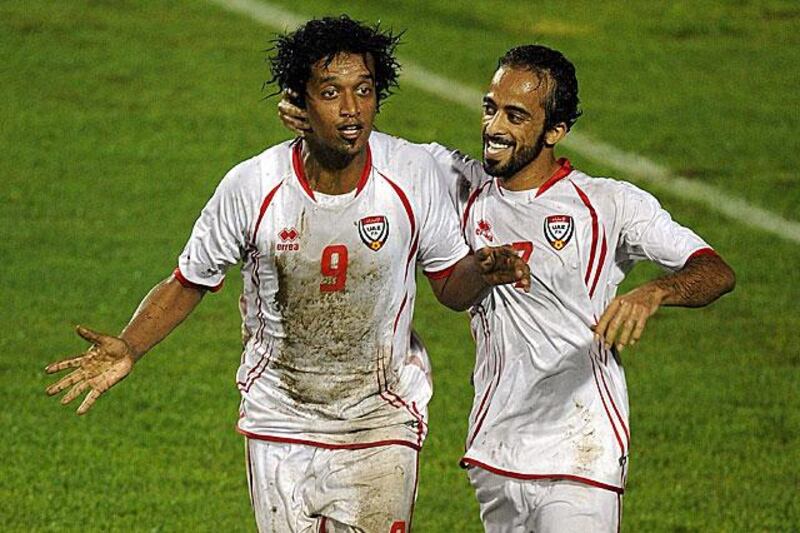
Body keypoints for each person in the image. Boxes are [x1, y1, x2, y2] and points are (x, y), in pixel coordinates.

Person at [44, 16, 529, 533]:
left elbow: (449, 288)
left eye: (364, 90)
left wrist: (479, 271)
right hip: (280, 417)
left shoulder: (411, 175)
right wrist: (131, 345)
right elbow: (189, 280)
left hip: (379, 418)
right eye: (331, 93)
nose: (351, 109)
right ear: (298, 104)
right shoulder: (253, 187)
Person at [280, 44, 735, 531]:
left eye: (515, 116)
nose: (494, 128)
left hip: (580, 452)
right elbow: (374, 144)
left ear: (555, 130)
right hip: (495, 452)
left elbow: (714, 271)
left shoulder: (609, 204)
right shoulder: (460, 184)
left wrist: (654, 293)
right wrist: (313, 113)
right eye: (490, 107)